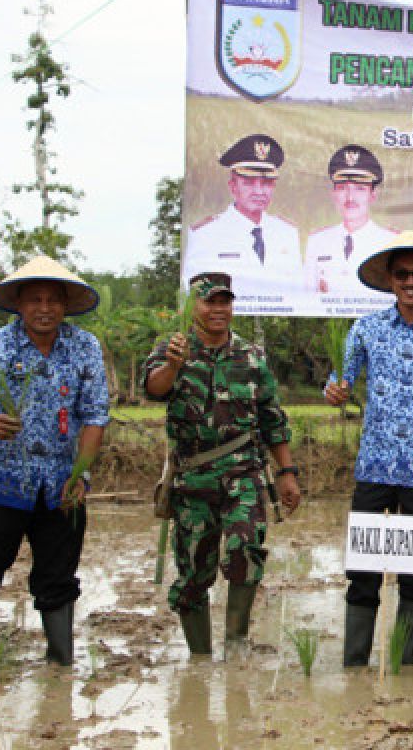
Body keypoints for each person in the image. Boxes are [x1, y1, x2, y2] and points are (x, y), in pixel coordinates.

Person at [0, 256, 109, 665]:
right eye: (35, 299)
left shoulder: (84, 347)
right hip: (0, 481)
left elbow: (95, 415)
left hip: (61, 484)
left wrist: (78, 474)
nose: (45, 308)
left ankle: (61, 666)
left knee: (58, 575)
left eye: (53, 299)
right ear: (18, 303)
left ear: (66, 305)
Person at [324, 231, 413, 667]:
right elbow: (341, 379)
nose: (411, 281)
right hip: (375, 465)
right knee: (363, 572)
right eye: (403, 274)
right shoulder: (365, 329)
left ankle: (406, 669)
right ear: (390, 280)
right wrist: (334, 391)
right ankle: (355, 666)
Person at [142, 271, 302, 658]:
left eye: (224, 301)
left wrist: (286, 473)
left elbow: (271, 418)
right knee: (195, 573)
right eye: (209, 301)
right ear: (192, 306)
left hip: (242, 473)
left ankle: (236, 646)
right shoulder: (172, 348)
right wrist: (173, 366)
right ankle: (199, 659)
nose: (218, 309)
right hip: (192, 476)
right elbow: (152, 389)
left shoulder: (251, 357)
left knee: (246, 550)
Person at [183, 133, 305, 304]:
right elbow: (193, 296)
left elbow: (299, 292)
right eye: (249, 182)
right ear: (233, 186)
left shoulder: (287, 232)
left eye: (266, 183)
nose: (259, 191)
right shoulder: (206, 234)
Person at [304, 144, 398, 311]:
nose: (350, 198)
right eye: (342, 189)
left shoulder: (391, 242)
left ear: (373, 195)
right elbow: (307, 298)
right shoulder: (317, 241)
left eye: (360, 189)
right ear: (333, 194)